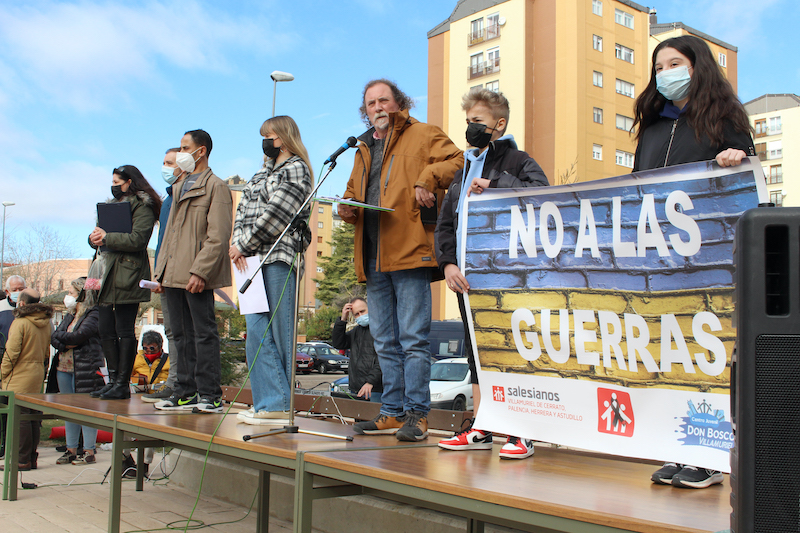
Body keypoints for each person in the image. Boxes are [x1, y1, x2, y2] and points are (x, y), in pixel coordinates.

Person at [632, 35, 755, 489]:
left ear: (697, 66)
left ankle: (710, 456)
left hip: (710, 266)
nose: (665, 74)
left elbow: (748, 177)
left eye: (675, 63)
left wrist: (736, 157)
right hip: (661, 266)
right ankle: (678, 448)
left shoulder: (723, 119)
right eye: (659, 66)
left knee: (709, 357)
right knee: (670, 356)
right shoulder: (652, 127)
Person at [339, 79, 463, 441]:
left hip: (409, 251)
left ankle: (418, 416)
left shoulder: (423, 133)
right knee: (384, 341)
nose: (378, 107)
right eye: (371, 103)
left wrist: (428, 178)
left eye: (384, 100)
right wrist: (346, 207)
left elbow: (458, 161)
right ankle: (391, 413)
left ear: (399, 103)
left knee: (413, 340)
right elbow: (352, 193)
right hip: (374, 255)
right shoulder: (362, 147)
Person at [435, 88, 549, 459]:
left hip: (509, 276)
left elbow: (545, 195)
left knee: (512, 350)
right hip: (468, 279)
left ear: (499, 124)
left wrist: (498, 185)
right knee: (477, 354)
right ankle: (482, 426)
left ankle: (521, 431)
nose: (470, 128)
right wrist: (448, 263)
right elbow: (445, 224)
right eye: (467, 122)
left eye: (478, 122)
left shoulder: (517, 160)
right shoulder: (463, 167)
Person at [229, 116, 313, 425]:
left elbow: (277, 213)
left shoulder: (297, 170)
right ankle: (269, 401)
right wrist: (237, 244)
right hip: (249, 260)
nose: (266, 142)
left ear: (285, 137)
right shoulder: (259, 174)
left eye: (270, 136)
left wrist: (244, 244)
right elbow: (242, 212)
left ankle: (278, 403)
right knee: (255, 331)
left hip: (278, 257)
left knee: (280, 332)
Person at [153, 129, 232, 414]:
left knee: (203, 334)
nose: (180, 153)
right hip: (172, 274)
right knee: (180, 335)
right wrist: (160, 273)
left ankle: (210, 394)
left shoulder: (216, 187)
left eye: (186, 148)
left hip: (195, 276)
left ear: (202, 151)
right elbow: (169, 234)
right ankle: (184, 392)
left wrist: (200, 271)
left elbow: (218, 236)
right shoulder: (179, 185)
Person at [89, 165, 162, 400]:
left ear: (129, 182)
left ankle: (122, 383)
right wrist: (93, 239)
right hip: (106, 273)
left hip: (128, 274)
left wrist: (107, 237)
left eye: (117, 182)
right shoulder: (111, 207)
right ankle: (112, 380)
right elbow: (101, 235)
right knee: (105, 330)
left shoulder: (143, 206)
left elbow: (139, 240)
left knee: (123, 329)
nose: (113, 186)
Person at [48, 277, 104, 465]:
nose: (68, 297)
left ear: (82, 293)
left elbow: (80, 336)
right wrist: (67, 342)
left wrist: (68, 340)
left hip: (85, 369)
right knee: (69, 411)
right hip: (64, 367)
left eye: (71, 293)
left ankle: (88, 450)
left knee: (86, 410)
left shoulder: (94, 313)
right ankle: (71, 449)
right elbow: (54, 336)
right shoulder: (71, 313)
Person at [141, 148, 182, 403]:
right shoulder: (167, 200)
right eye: (164, 162)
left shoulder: (184, 197)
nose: (165, 167)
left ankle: (180, 385)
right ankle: (175, 383)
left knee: (181, 332)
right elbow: (163, 239)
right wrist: (158, 274)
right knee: (172, 332)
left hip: (180, 276)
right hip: (165, 275)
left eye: (170, 162)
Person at [0, 289, 53, 471]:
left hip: (19, 374)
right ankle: (31, 458)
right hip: (37, 373)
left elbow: (11, 352)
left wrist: (2, 373)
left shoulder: (20, 322)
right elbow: (47, 352)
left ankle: (21, 460)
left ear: (22, 303)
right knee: (33, 418)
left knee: (20, 418)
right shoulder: (46, 322)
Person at [331, 297, 382, 402]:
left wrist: (370, 382)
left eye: (362, 311)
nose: (360, 316)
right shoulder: (356, 332)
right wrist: (342, 320)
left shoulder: (381, 330)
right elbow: (338, 343)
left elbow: (383, 359)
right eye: (356, 314)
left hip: (375, 389)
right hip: (356, 388)